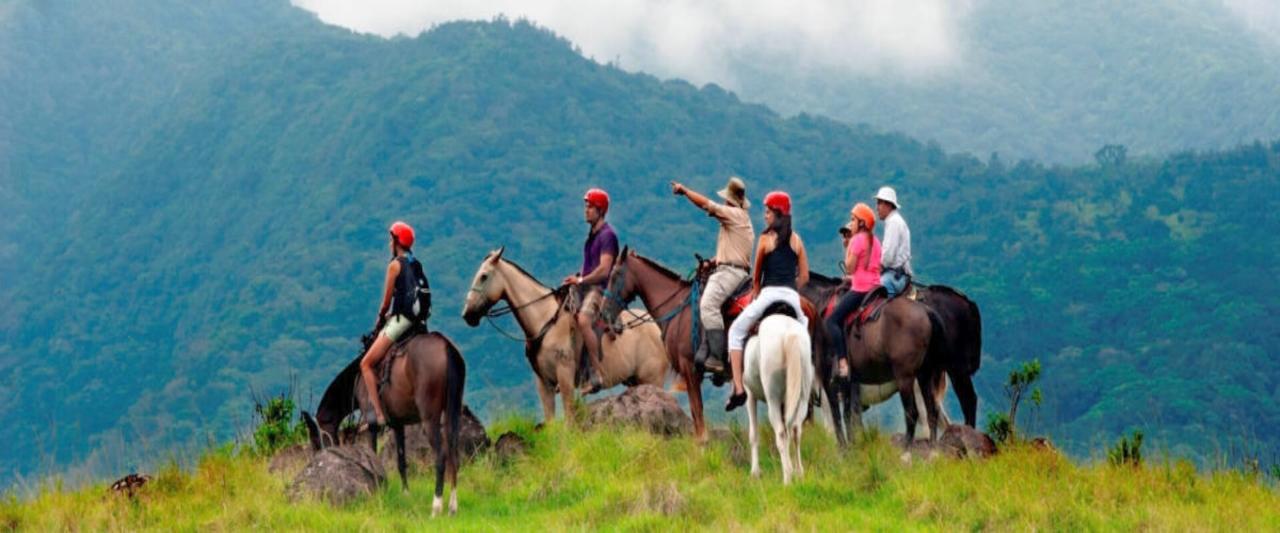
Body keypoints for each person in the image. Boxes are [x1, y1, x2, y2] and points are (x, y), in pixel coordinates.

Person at [725, 191, 810, 411]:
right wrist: (791, 289)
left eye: (768, 211)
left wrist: (756, 292)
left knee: (735, 331)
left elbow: (756, 277)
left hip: (769, 294)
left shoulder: (765, 239)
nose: (765, 216)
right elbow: (805, 277)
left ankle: (738, 387)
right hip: (792, 297)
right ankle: (807, 384)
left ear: (777, 213)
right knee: (805, 333)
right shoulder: (797, 240)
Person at [670, 176, 754, 373]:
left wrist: (685, 191)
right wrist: (712, 262)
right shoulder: (741, 220)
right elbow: (735, 251)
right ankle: (709, 349)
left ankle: (717, 357)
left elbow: (707, 205)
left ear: (729, 200)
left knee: (707, 305)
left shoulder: (733, 214)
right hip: (733, 269)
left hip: (730, 273)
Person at [360, 221, 430, 432]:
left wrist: (381, 317)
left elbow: (386, 301)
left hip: (402, 321)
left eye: (391, 239)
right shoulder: (416, 263)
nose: (389, 243)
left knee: (366, 364)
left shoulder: (394, 265)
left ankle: (380, 416)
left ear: (397, 242)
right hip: (420, 322)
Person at [563, 188, 619, 393]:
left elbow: (604, 270)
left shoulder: (608, 236)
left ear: (600, 210)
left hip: (599, 290)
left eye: (590, 207)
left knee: (584, 320)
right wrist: (576, 280)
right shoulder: (592, 236)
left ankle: (597, 373)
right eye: (586, 206)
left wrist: (581, 279)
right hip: (585, 286)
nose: (586, 210)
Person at [824, 203, 881, 371]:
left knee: (832, 321)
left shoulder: (856, 240)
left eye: (853, 220)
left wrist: (849, 249)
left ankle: (842, 361)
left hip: (860, 289)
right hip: (876, 288)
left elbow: (849, 268)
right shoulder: (876, 241)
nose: (851, 223)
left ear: (862, 223)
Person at [876, 186, 913, 297]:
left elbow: (888, 256)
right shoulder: (894, 221)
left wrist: (874, 269)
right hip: (896, 274)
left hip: (894, 276)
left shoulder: (893, 223)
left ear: (887, 204)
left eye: (879, 203)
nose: (877, 207)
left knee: (880, 303)